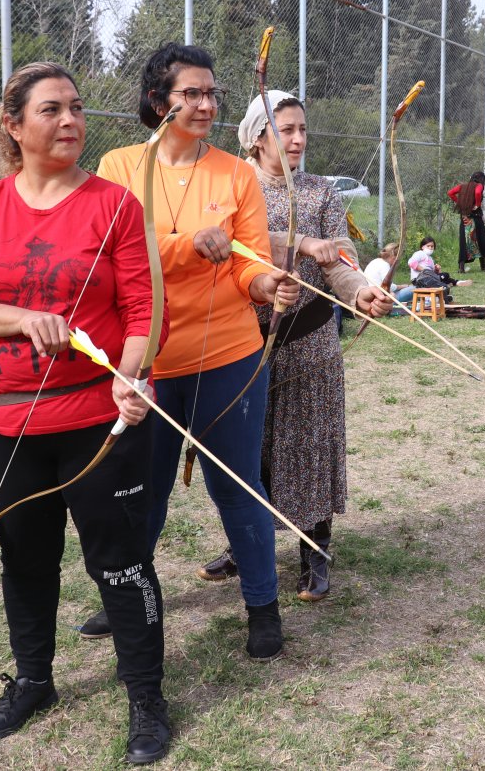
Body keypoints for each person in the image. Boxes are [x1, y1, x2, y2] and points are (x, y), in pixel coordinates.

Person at [0, 62, 172, 763]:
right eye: (51, 110)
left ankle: (146, 696)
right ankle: (34, 679)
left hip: (99, 420)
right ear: (13, 125)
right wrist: (19, 317)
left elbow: (140, 307)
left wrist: (131, 379)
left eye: (77, 108)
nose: (70, 121)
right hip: (6, 425)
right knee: (26, 560)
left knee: (120, 562)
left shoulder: (115, 205)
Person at [87, 43, 299, 662]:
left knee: (238, 488)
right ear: (160, 101)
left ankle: (263, 607)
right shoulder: (120, 167)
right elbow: (113, 248)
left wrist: (267, 285)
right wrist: (188, 244)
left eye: (213, 95)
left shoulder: (235, 174)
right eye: (192, 95)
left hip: (229, 356)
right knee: (142, 492)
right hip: (143, 360)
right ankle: (127, 595)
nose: (207, 105)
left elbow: (250, 264)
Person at [190, 91, 392, 601]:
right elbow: (234, 243)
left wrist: (360, 291)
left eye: (303, 129)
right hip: (245, 338)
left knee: (311, 442)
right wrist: (297, 242)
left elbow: (340, 264)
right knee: (245, 447)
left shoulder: (321, 191)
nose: (299, 139)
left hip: (310, 338)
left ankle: (314, 549)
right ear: (259, 137)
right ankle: (246, 543)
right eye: (287, 130)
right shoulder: (235, 185)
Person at [446, 171, 485, 273]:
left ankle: (461, 268)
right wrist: (478, 204)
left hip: (465, 218)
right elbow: (478, 192)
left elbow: (450, 193)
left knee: (464, 242)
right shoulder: (479, 185)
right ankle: (483, 267)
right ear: (481, 179)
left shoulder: (463, 186)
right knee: (481, 239)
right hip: (476, 217)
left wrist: (459, 202)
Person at [364, 242, 414, 308]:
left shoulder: (376, 261)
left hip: (371, 295)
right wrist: (403, 286)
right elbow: (389, 287)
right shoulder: (385, 265)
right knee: (414, 288)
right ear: (394, 257)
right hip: (380, 297)